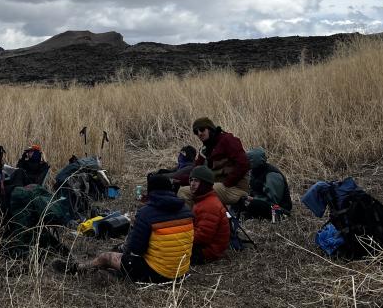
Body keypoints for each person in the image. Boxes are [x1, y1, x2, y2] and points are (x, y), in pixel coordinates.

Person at [59, 174, 193, 283]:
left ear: (151, 191)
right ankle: (114, 274)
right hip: (181, 272)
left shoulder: (147, 213)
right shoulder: (186, 210)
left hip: (159, 273)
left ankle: (78, 268)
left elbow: (136, 249)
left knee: (106, 257)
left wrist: (135, 227)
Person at [178, 117, 250, 206]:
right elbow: (195, 172)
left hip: (235, 188)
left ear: (210, 129)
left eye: (202, 129)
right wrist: (176, 181)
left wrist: (227, 183)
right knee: (182, 189)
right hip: (217, 186)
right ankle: (199, 218)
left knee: (190, 191)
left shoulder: (228, 140)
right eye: (196, 132)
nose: (199, 133)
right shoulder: (205, 149)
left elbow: (243, 164)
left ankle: (194, 219)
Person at [188, 166, 230, 263]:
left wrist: (182, 236)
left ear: (205, 184)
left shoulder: (210, 205)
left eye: (196, 181)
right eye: (191, 180)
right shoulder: (203, 199)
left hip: (207, 252)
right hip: (205, 246)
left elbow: (202, 237)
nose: (192, 184)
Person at [237, 147, 292, 219]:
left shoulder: (272, 175)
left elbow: (274, 201)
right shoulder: (255, 171)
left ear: (254, 162)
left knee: (255, 204)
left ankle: (249, 216)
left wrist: (253, 199)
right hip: (262, 203)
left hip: (279, 210)